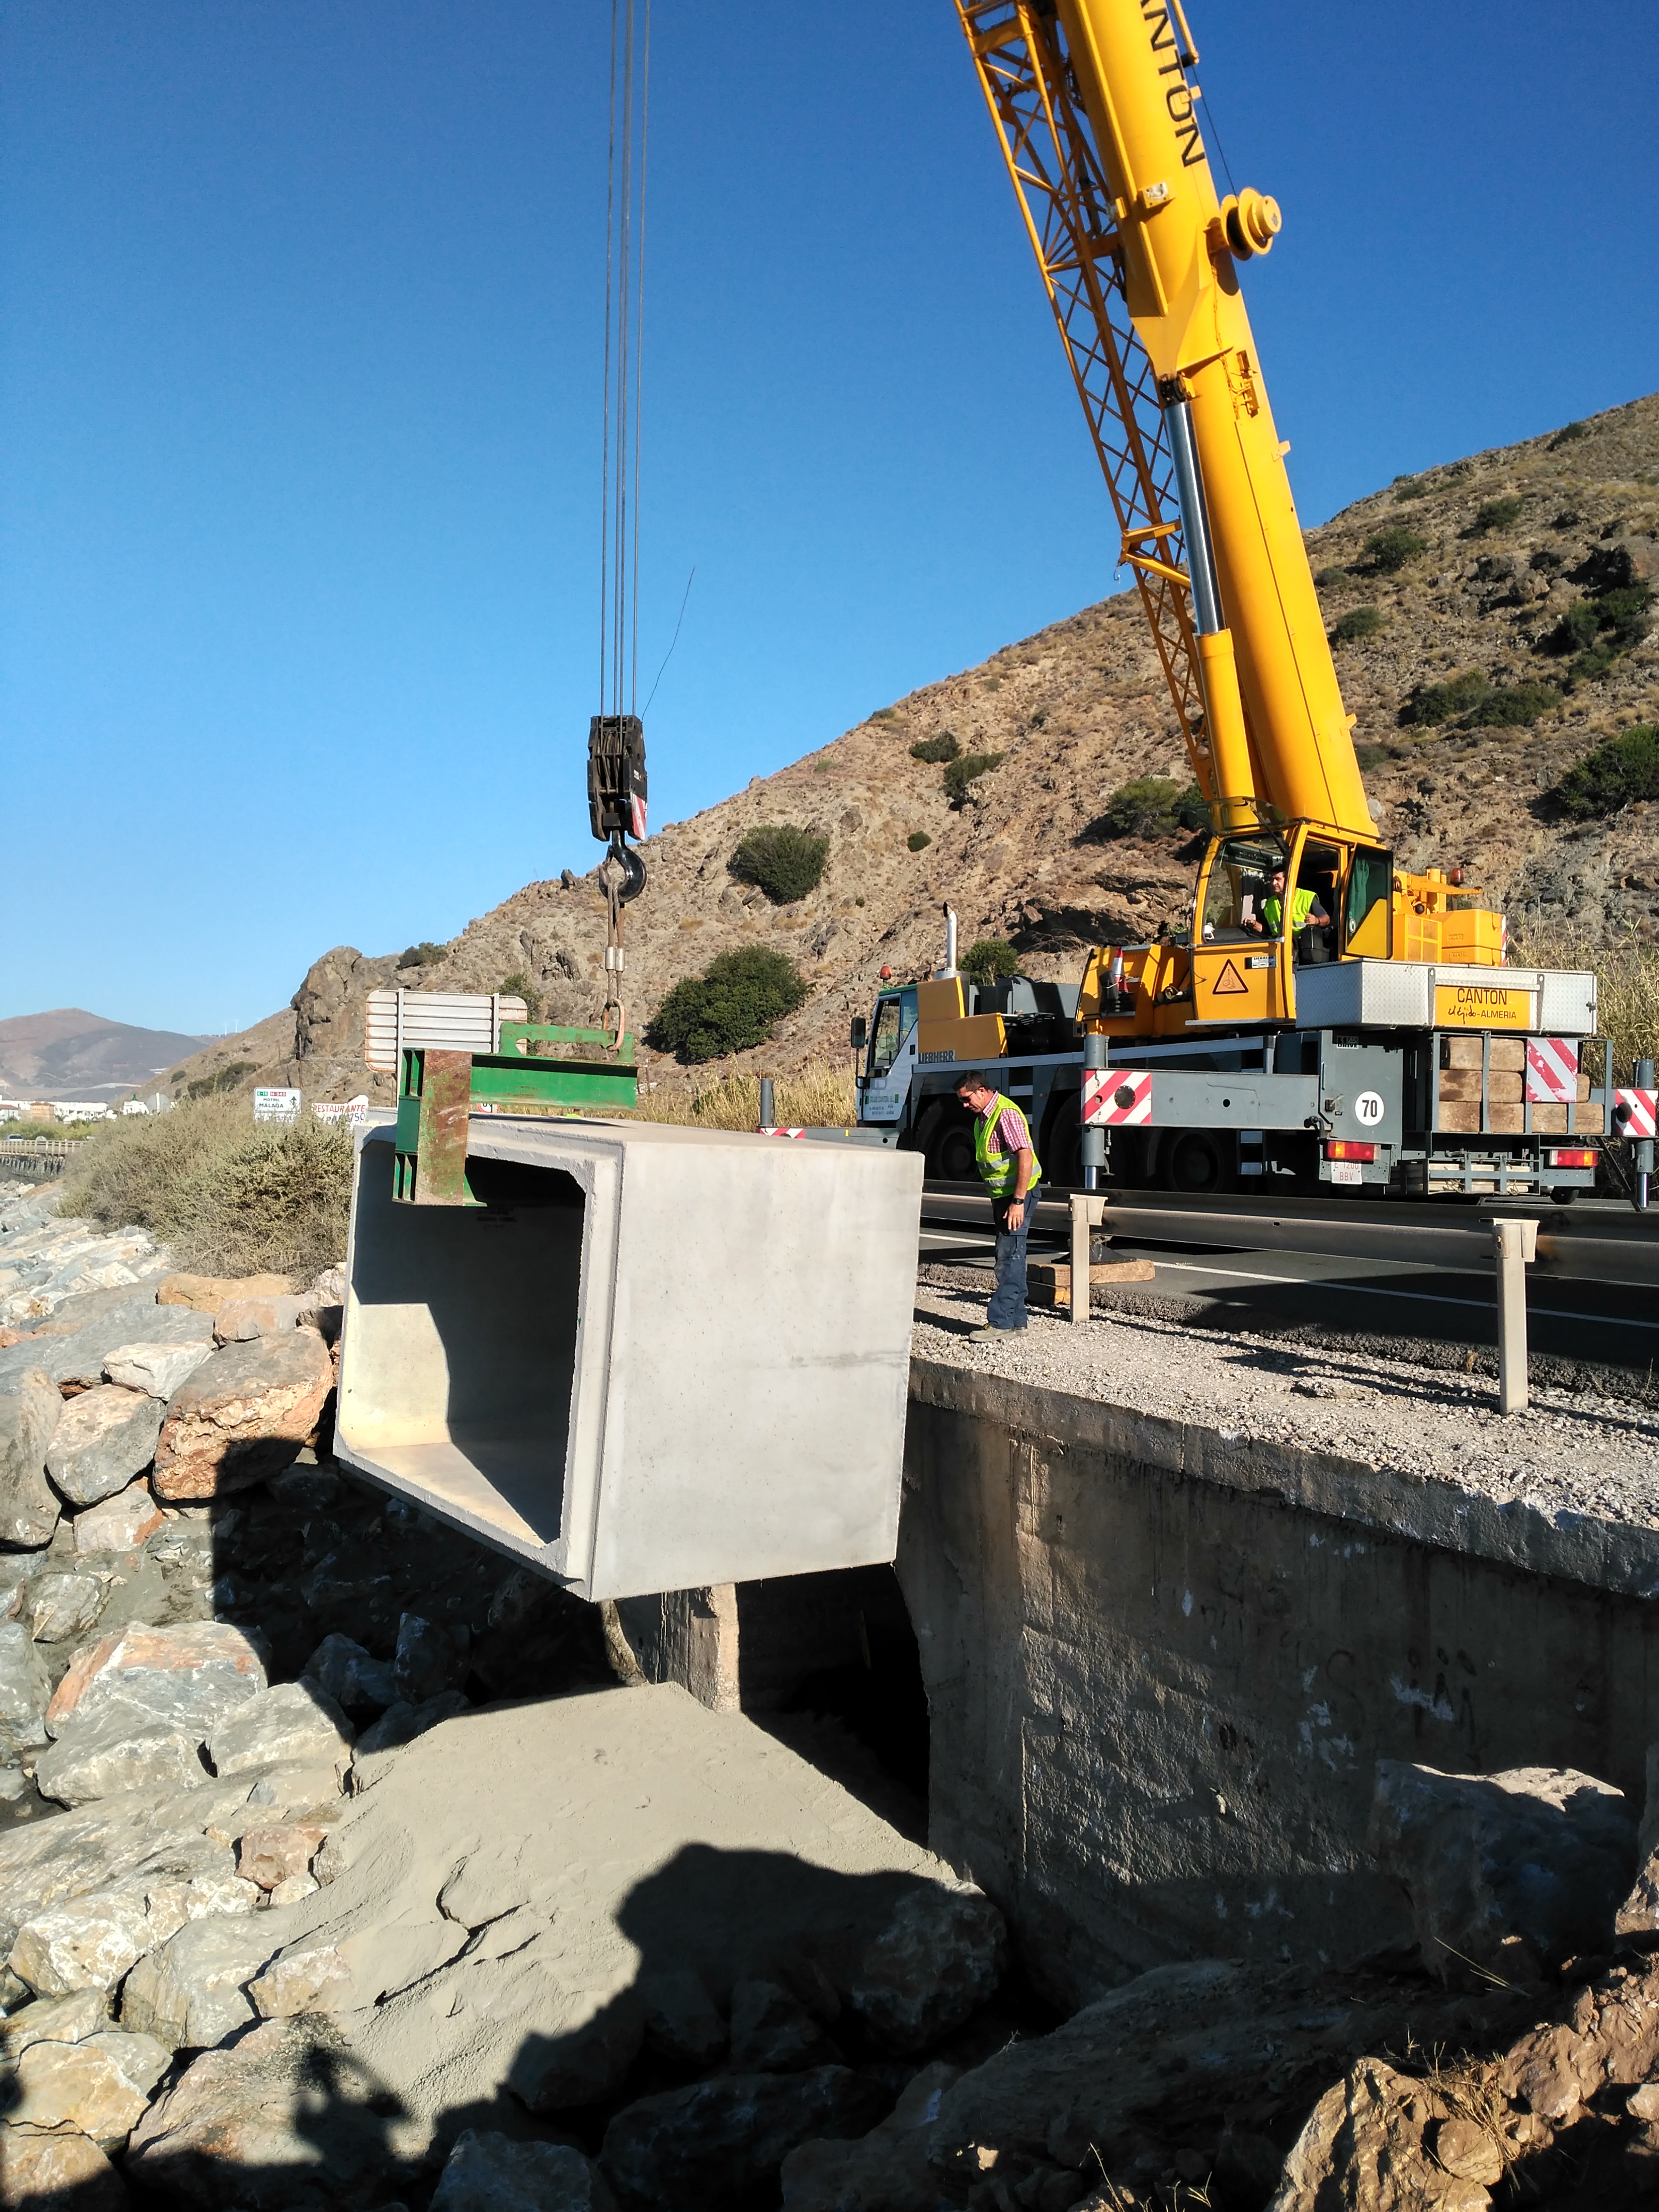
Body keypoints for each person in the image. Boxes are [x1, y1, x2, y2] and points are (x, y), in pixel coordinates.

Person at [954, 1071, 1041, 1337]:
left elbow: (1024, 1157)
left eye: (967, 1099)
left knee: (1009, 1257)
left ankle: (1001, 1322)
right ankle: (1017, 1321)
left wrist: (1017, 1201)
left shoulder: (1005, 1114)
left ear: (981, 1091)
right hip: (1004, 1197)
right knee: (1013, 1255)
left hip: (1017, 1196)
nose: (965, 1106)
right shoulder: (984, 1118)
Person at [1249, 866, 1329, 939]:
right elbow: (1268, 931)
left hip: (1303, 946)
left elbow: (1326, 919)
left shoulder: (1307, 897)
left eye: (1278, 879)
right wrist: (1255, 925)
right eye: (1272, 880)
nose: (1274, 883)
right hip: (1278, 946)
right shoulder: (1269, 904)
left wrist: (1316, 920)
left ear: (1288, 880)